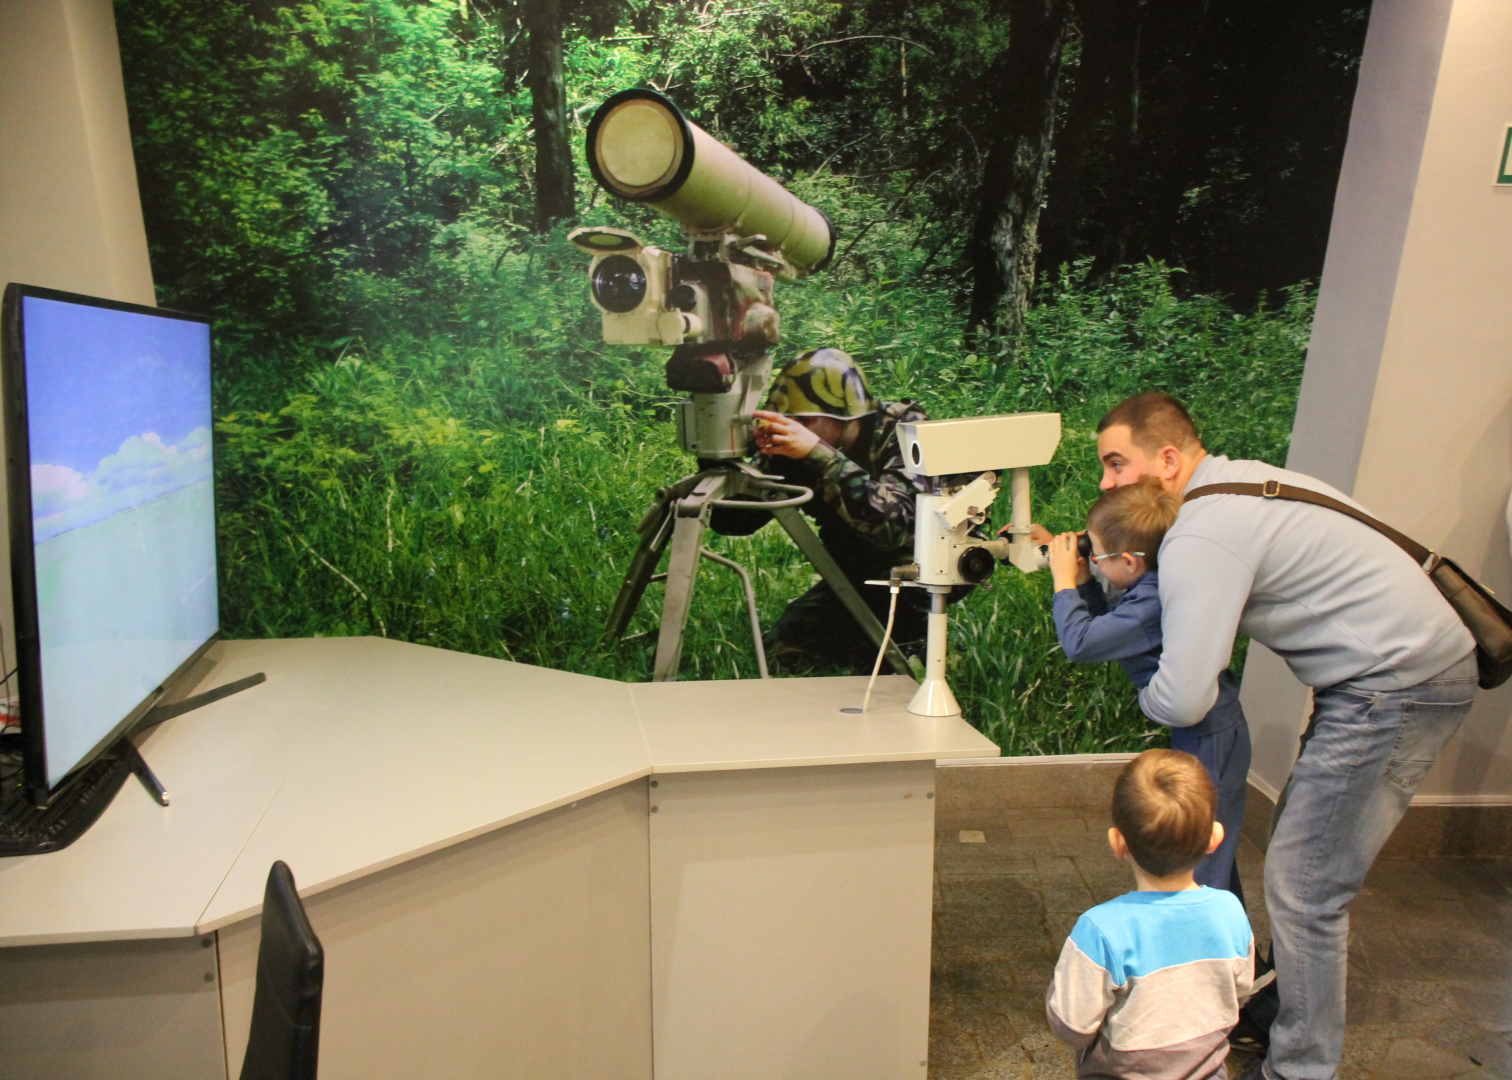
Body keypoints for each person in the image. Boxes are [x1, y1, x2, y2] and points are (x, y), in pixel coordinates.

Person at [1088, 391, 1476, 1080]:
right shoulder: (1244, 484)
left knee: (1305, 888)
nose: (1107, 482)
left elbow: (1184, 696)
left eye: (1116, 463)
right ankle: (1277, 1024)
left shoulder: (1202, 532)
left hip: (1393, 684)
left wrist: (1146, 689)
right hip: (1389, 677)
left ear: (1169, 459)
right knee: (1304, 874)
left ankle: (1300, 1069)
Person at [1046, 479, 1251, 902]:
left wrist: (1063, 583)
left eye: (1097, 556)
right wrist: (1084, 582)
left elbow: (1081, 643)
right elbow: (1110, 627)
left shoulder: (1152, 601)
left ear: (1128, 561)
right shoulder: (1152, 587)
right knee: (1210, 847)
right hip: (1207, 725)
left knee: (1197, 850)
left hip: (1212, 732)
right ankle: (1231, 938)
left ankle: (1201, 938)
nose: (1094, 562)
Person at [712, 348, 934, 671]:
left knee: (882, 666)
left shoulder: (904, 430)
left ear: (847, 417)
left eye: (804, 421)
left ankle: (917, 636)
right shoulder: (797, 445)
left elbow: (897, 527)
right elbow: (733, 521)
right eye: (788, 419)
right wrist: (721, 460)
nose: (794, 428)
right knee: (784, 651)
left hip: (919, 573)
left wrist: (817, 454)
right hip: (856, 573)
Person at [1047, 748, 1254, 1080]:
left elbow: (1073, 1028)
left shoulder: (1100, 930)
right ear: (1214, 837)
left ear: (1118, 842)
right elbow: (1238, 993)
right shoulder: (1231, 912)